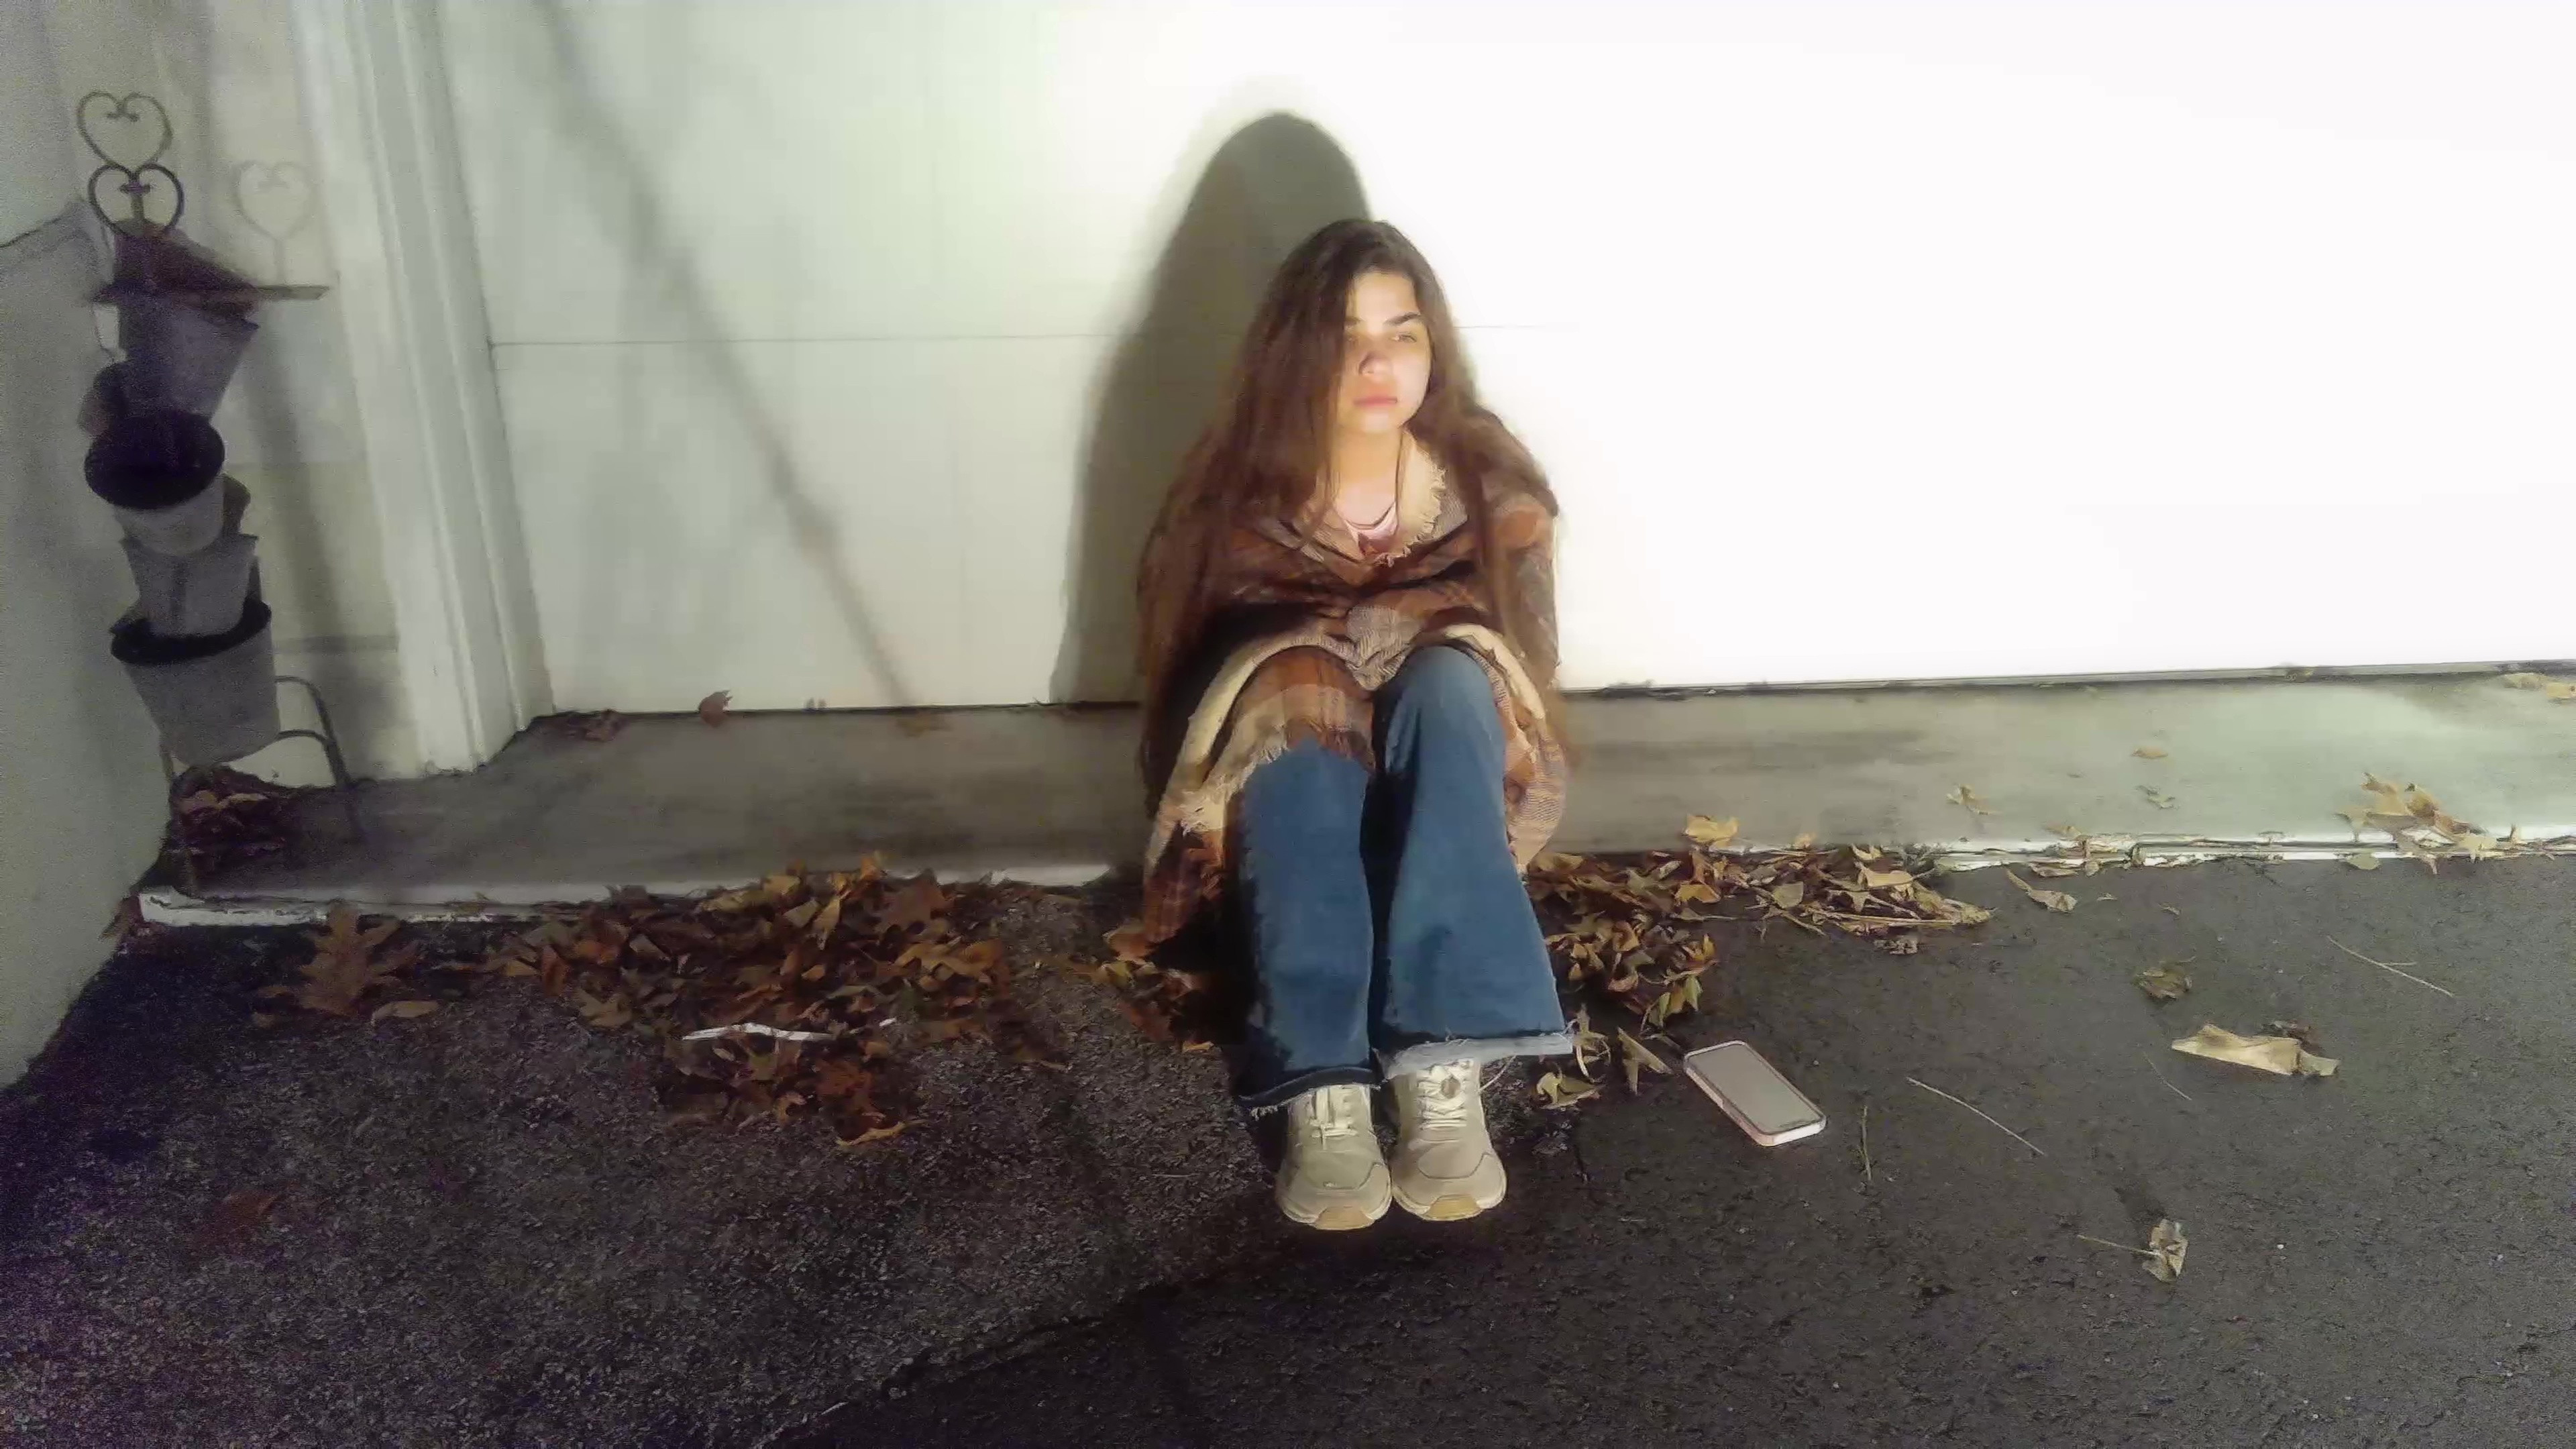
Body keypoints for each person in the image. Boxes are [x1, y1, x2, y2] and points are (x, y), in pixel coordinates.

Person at [1132, 219, 1572, 1230]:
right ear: (1295, 352)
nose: (1379, 364)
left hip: (1444, 767)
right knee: (1293, 686)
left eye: (1402, 332)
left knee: (1454, 679)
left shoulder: (1487, 478)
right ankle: (1323, 1077)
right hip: (1290, 794)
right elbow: (1188, 677)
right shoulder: (1230, 498)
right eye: (1346, 336)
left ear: (1433, 347)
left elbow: (1529, 654)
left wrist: (1404, 643)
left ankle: (1442, 1056)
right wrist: (1324, 667)